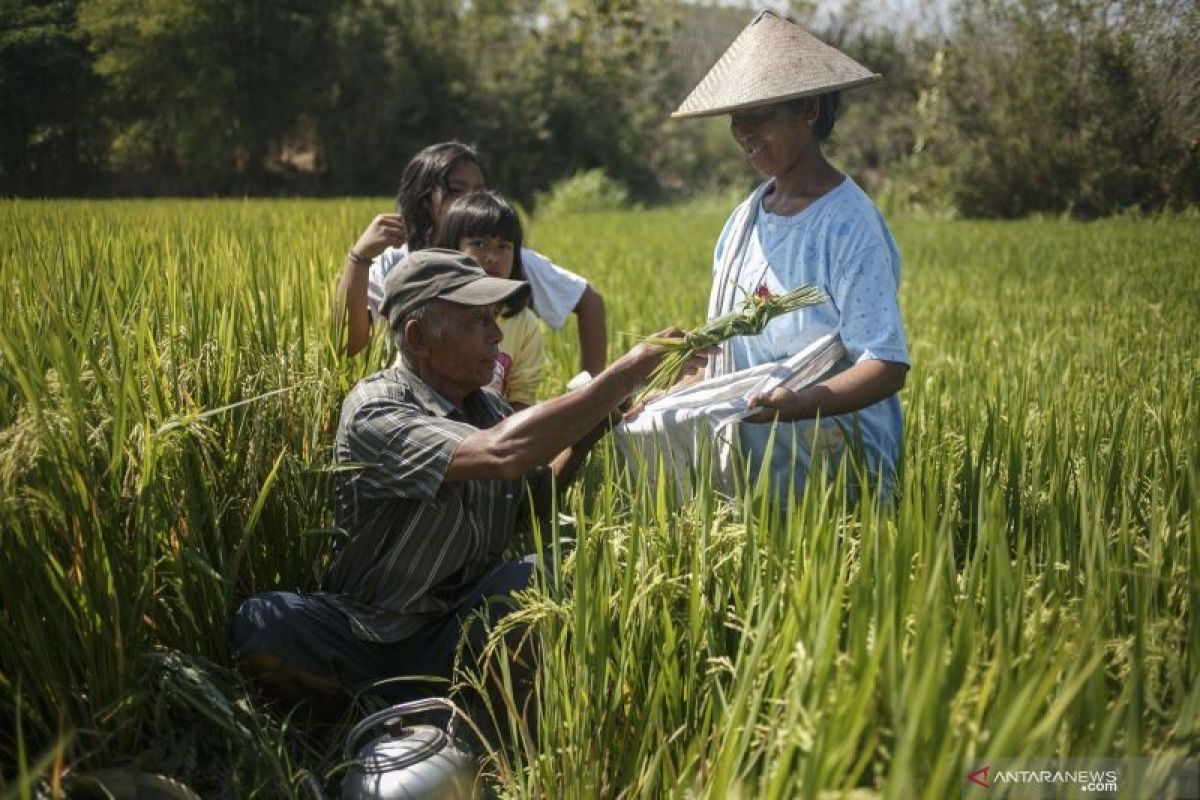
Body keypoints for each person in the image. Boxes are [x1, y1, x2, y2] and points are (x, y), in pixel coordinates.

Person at [233, 249, 705, 718]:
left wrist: (585, 438)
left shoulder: (489, 410)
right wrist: (622, 375)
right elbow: (502, 452)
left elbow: (533, 506)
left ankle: (440, 710)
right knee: (263, 622)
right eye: (476, 322)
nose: (496, 335)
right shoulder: (376, 409)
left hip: (457, 630)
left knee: (536, 575)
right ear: (418, 337)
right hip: (367, 632)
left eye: (494, 319)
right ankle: (384, 707)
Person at [671, 10, 910, 498]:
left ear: (808, 109)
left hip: (838, 469)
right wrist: (660, 393)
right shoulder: (745, 221)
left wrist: (801, 403)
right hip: (759, 467)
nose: (742, 133)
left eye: (758, 116)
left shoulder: (848, 225)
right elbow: (723, 345)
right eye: (736, 119)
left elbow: (885, 362)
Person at [336, 141, 607, 377]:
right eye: (455, 190)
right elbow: (348, 344)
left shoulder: (505, 258)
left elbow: (588, 300)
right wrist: (359, 258)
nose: (471, 199)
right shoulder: (398, 263)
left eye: (479, 190)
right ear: (424, 200)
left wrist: (593, 398)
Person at [435, 190, 544, 409]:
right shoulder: (434, 311)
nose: (492, 257)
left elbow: (521, 401)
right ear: (451, 249)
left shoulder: (524, 325)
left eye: (503, 247)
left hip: (495, 431)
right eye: (479, 244)